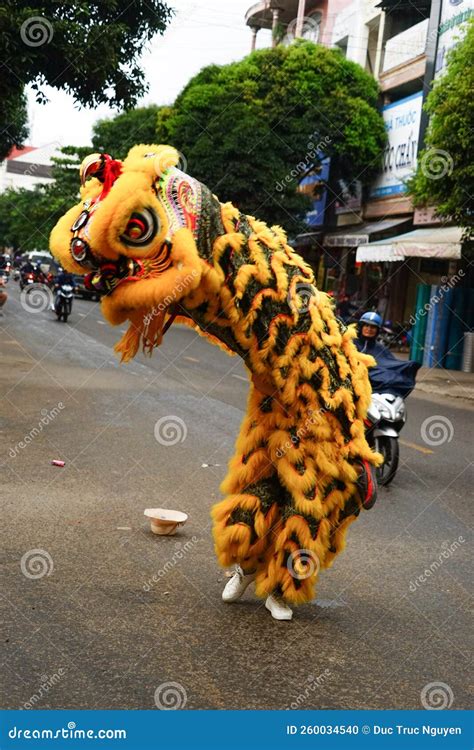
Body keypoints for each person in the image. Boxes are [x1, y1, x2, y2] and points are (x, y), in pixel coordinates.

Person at [355, 311, 420, 398]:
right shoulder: (351, 343)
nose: (369, 329)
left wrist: (409, 365)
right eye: (366, 325)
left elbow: (390, 363)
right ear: (361, 327)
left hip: (375, 393)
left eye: (373, 327)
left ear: (377, 330)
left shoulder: (380, 347)